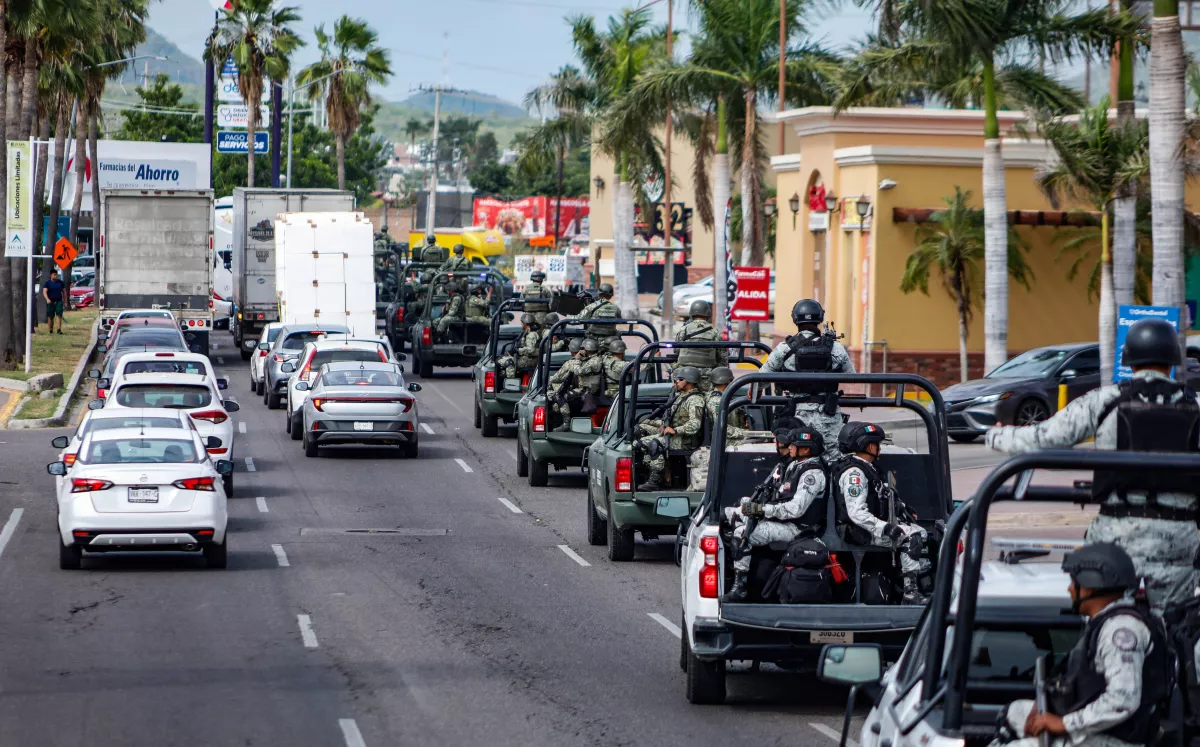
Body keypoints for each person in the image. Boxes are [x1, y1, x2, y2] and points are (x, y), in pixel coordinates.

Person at [986, 317, 1200, 614]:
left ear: (1129, 360)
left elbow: (1045, 438)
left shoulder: (1105, 400)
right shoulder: (1195, 405)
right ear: (1172, 359)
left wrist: (996, 435)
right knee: (1176, 628)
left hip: (1116, 538)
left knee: (1107, 621)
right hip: (1179, 540)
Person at [994, 543, 1169, 747]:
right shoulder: (1105, 621)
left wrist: (1062, 723)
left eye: (1074, 582)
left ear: (1090, 586)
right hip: (1103, 729)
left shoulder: (1120, 630)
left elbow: (1122, 701)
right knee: (1014, 713)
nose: (1069, 589)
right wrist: (1050, 706)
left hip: (1117, 739)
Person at [721, 426, 828, 602]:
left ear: (806, 449)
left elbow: (796, 509)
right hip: (784, 521)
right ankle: (738, 562)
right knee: (730, 514)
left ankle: (740, 587)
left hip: (799, 529)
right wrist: (759, 505)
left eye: (794, 445)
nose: (790, 447)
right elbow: (780, 495)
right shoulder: (795, 466)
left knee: (742, 533)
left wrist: (762, 510)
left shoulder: (812, 474)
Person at [834, 421, 932, 604]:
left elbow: (884, 496)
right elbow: (856, 512)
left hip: (867, 528)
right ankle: (910, 593)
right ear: (870, 446)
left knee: (922, 532)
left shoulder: (868, 469)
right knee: (911, 537)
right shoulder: (855, 473)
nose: (879, 448)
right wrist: (885, 528)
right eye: (877, 444)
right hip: (858, 531)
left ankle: (918, 586)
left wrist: (904, 509)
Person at [763, 299, 855, 462]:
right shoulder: (836, 348)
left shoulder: (785, 348)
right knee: (832, 462)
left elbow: (761, 378)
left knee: (797, 461)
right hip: (828, 417)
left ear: (795, 319)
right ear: (820, 318)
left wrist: (753, 392)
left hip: (797, 418)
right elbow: (852, 376)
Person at [635, 366, 707, 491]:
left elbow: (695, 425)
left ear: (689, 380)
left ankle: (656, 480)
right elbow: (673, 419)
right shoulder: (681, 396)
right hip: (675, 434)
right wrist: (652, 422)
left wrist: (675, 430)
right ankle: (647, 472)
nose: (676, 382)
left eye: (679, 379)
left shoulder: (695, 399)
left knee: (654, 444)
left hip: (686, 440)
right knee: (640, 431)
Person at [671, 300, 728, 390]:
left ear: (691, 314)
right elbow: (722, 357)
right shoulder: (714, 332)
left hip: (685, 377)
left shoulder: (683, 330)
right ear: (708, 314)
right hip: (708, 377)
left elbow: (676, 351)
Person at [548, 337, 588, 429]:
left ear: (571, 351)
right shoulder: (594, 361)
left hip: (578, 394)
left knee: (556, 395)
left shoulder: (571, 363)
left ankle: (565, 422)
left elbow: (556, 378)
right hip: (592, 393)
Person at [500, 313, 541, 381]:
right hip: (527, 358)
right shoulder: (527, 332)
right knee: (501, 360)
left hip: (529, 360)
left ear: (525, 323)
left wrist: (518, 350)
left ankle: (511, 383)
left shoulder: (531, 335)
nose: (521, 324)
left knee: (509, 362)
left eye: (522, 322)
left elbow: (530, 350)